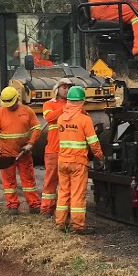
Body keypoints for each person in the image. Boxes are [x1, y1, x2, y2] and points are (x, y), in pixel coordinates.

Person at [0, 86, 41, 215]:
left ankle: (34, 205)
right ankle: (12, 205)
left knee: (28, 181)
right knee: (9, 182)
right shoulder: (0, 113)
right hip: (6, 154)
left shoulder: (27, 111)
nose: (9, 107)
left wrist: (31, 144)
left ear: (17, 99)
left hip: (24, 153)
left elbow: (36, 128)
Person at [55, 86, 104, 234]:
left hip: (62, 161)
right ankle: (78, 226)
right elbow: (93, 142)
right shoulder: (84, 119)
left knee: (63, 192)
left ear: (68, 101)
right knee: (77, 194)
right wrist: (100, 157)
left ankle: (60, 224)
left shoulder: (61, 119)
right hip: (78, 163)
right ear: (82, 101)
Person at [40, 78, 73, 216]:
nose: (66, 90)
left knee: (68, 183)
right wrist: (66, 108)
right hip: (53, 151)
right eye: (64, 87)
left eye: (69, 87)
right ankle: (47, 209)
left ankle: (68, 210)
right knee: (50, 181)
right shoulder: (49, 104)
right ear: (57, 89)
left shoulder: (75, 105)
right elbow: (49, 118)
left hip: (68, 151)